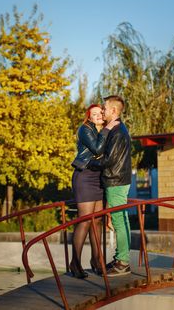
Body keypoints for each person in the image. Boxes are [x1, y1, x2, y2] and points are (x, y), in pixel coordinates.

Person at [69, 104, 119, 278]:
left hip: (98, 178)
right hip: (84, 177)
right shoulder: (85, 129)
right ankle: (75, 263)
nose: (98, 115)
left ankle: (96, 261)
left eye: (100, 113)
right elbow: (97, 149)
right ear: (89, 117)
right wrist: (108, 128)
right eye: (94, 114)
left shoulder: (100, 133)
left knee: (97, 221)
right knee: (84, 221)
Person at [89, 95, 132, 277]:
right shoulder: (118, 129)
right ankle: (121, 259)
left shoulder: (118, 132)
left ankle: (123, 263)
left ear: (114, 110)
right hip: (118, 180)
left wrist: (90, 163)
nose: (103, 111)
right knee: (122, 219)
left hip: (116, 181)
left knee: (119, 222)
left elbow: (110, 159)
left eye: (105, 108)